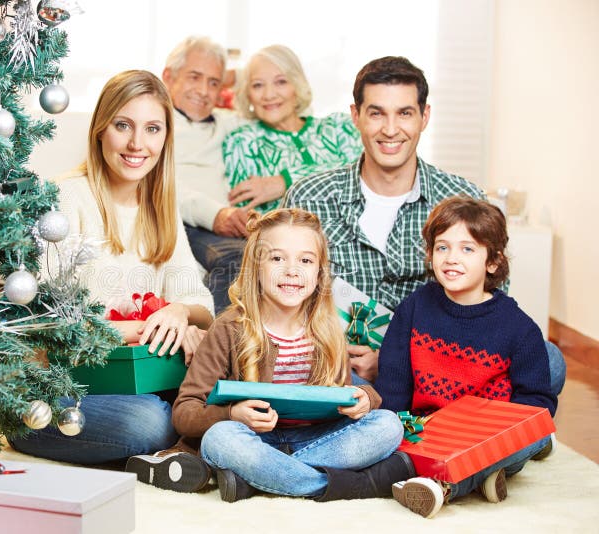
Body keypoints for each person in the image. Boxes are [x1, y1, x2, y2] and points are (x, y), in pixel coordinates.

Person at [281, 56, 566, 392]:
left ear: (424, 117)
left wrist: (392, 359)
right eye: (376, 113)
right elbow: (275, 295)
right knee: (335, 386)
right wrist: (333, 354)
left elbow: (491, 304)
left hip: (439, 366)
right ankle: (406, 428)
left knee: (548, 360)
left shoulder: (463, 198)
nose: (390, 130)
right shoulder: (310, 198)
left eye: (404, 113)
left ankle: (405, 426)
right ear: (356, 116)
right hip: (338, 367)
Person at [9, 70, 214, 465]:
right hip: (53, 392)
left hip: (132, 382)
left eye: (152, 129)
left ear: (165, 139)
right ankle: (177, 449)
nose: (138, 144)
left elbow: (200, 303)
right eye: (123, 126)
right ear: (101, 130)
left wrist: (180, 314)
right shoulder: (65, 199)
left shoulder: (160, 206)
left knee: (225, 386)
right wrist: (141, 329)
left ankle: (169, 456)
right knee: (151, 421)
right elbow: (44, 322)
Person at [161, 208, 412, 502]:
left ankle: (258, 479)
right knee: (219, 440)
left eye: (305, 260)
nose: (292, 270)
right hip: (251, 439)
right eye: (277, 258)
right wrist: (231, 414)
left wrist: (364, 399)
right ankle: (346, 485)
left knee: (388, 425)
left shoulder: (328, 329)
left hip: (316, 438)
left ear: (319, 273)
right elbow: (184, 413)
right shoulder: (229, 328)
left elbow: (345, 393)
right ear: (256, 267)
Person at [373, 196, 557, 518]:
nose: (451, 258)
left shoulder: (519, 328)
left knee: (529, 438)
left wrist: (503, 438)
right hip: (428, 428)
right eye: (442, 247)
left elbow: (535, 405)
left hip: (486, 434)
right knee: (388, 446)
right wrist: (392, 431)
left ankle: (446, 487)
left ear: (493, 262)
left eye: (467, 249)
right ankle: (485, 479)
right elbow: (394, 380)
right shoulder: (414, 308)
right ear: (430, 254)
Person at [161, 36, 249, 313]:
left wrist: (243, 75)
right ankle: (212, 352)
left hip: (222, 222)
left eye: (214, 82)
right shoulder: (153, 120)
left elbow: (288, 104)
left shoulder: (228, 123)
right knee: (237, 257)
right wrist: (216, 214)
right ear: (168, 77)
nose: (204, 91)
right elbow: (161, 183)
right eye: (194, 77)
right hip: (177, 218)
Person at [224, 44, 362, 214]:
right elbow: (251, 218)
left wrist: (285, 181)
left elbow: (368, 173)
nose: (269, 95)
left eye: (281, 82)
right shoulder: (242, 142)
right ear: (247, 94)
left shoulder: (339, 126)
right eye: (258, 85)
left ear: (297, 85)